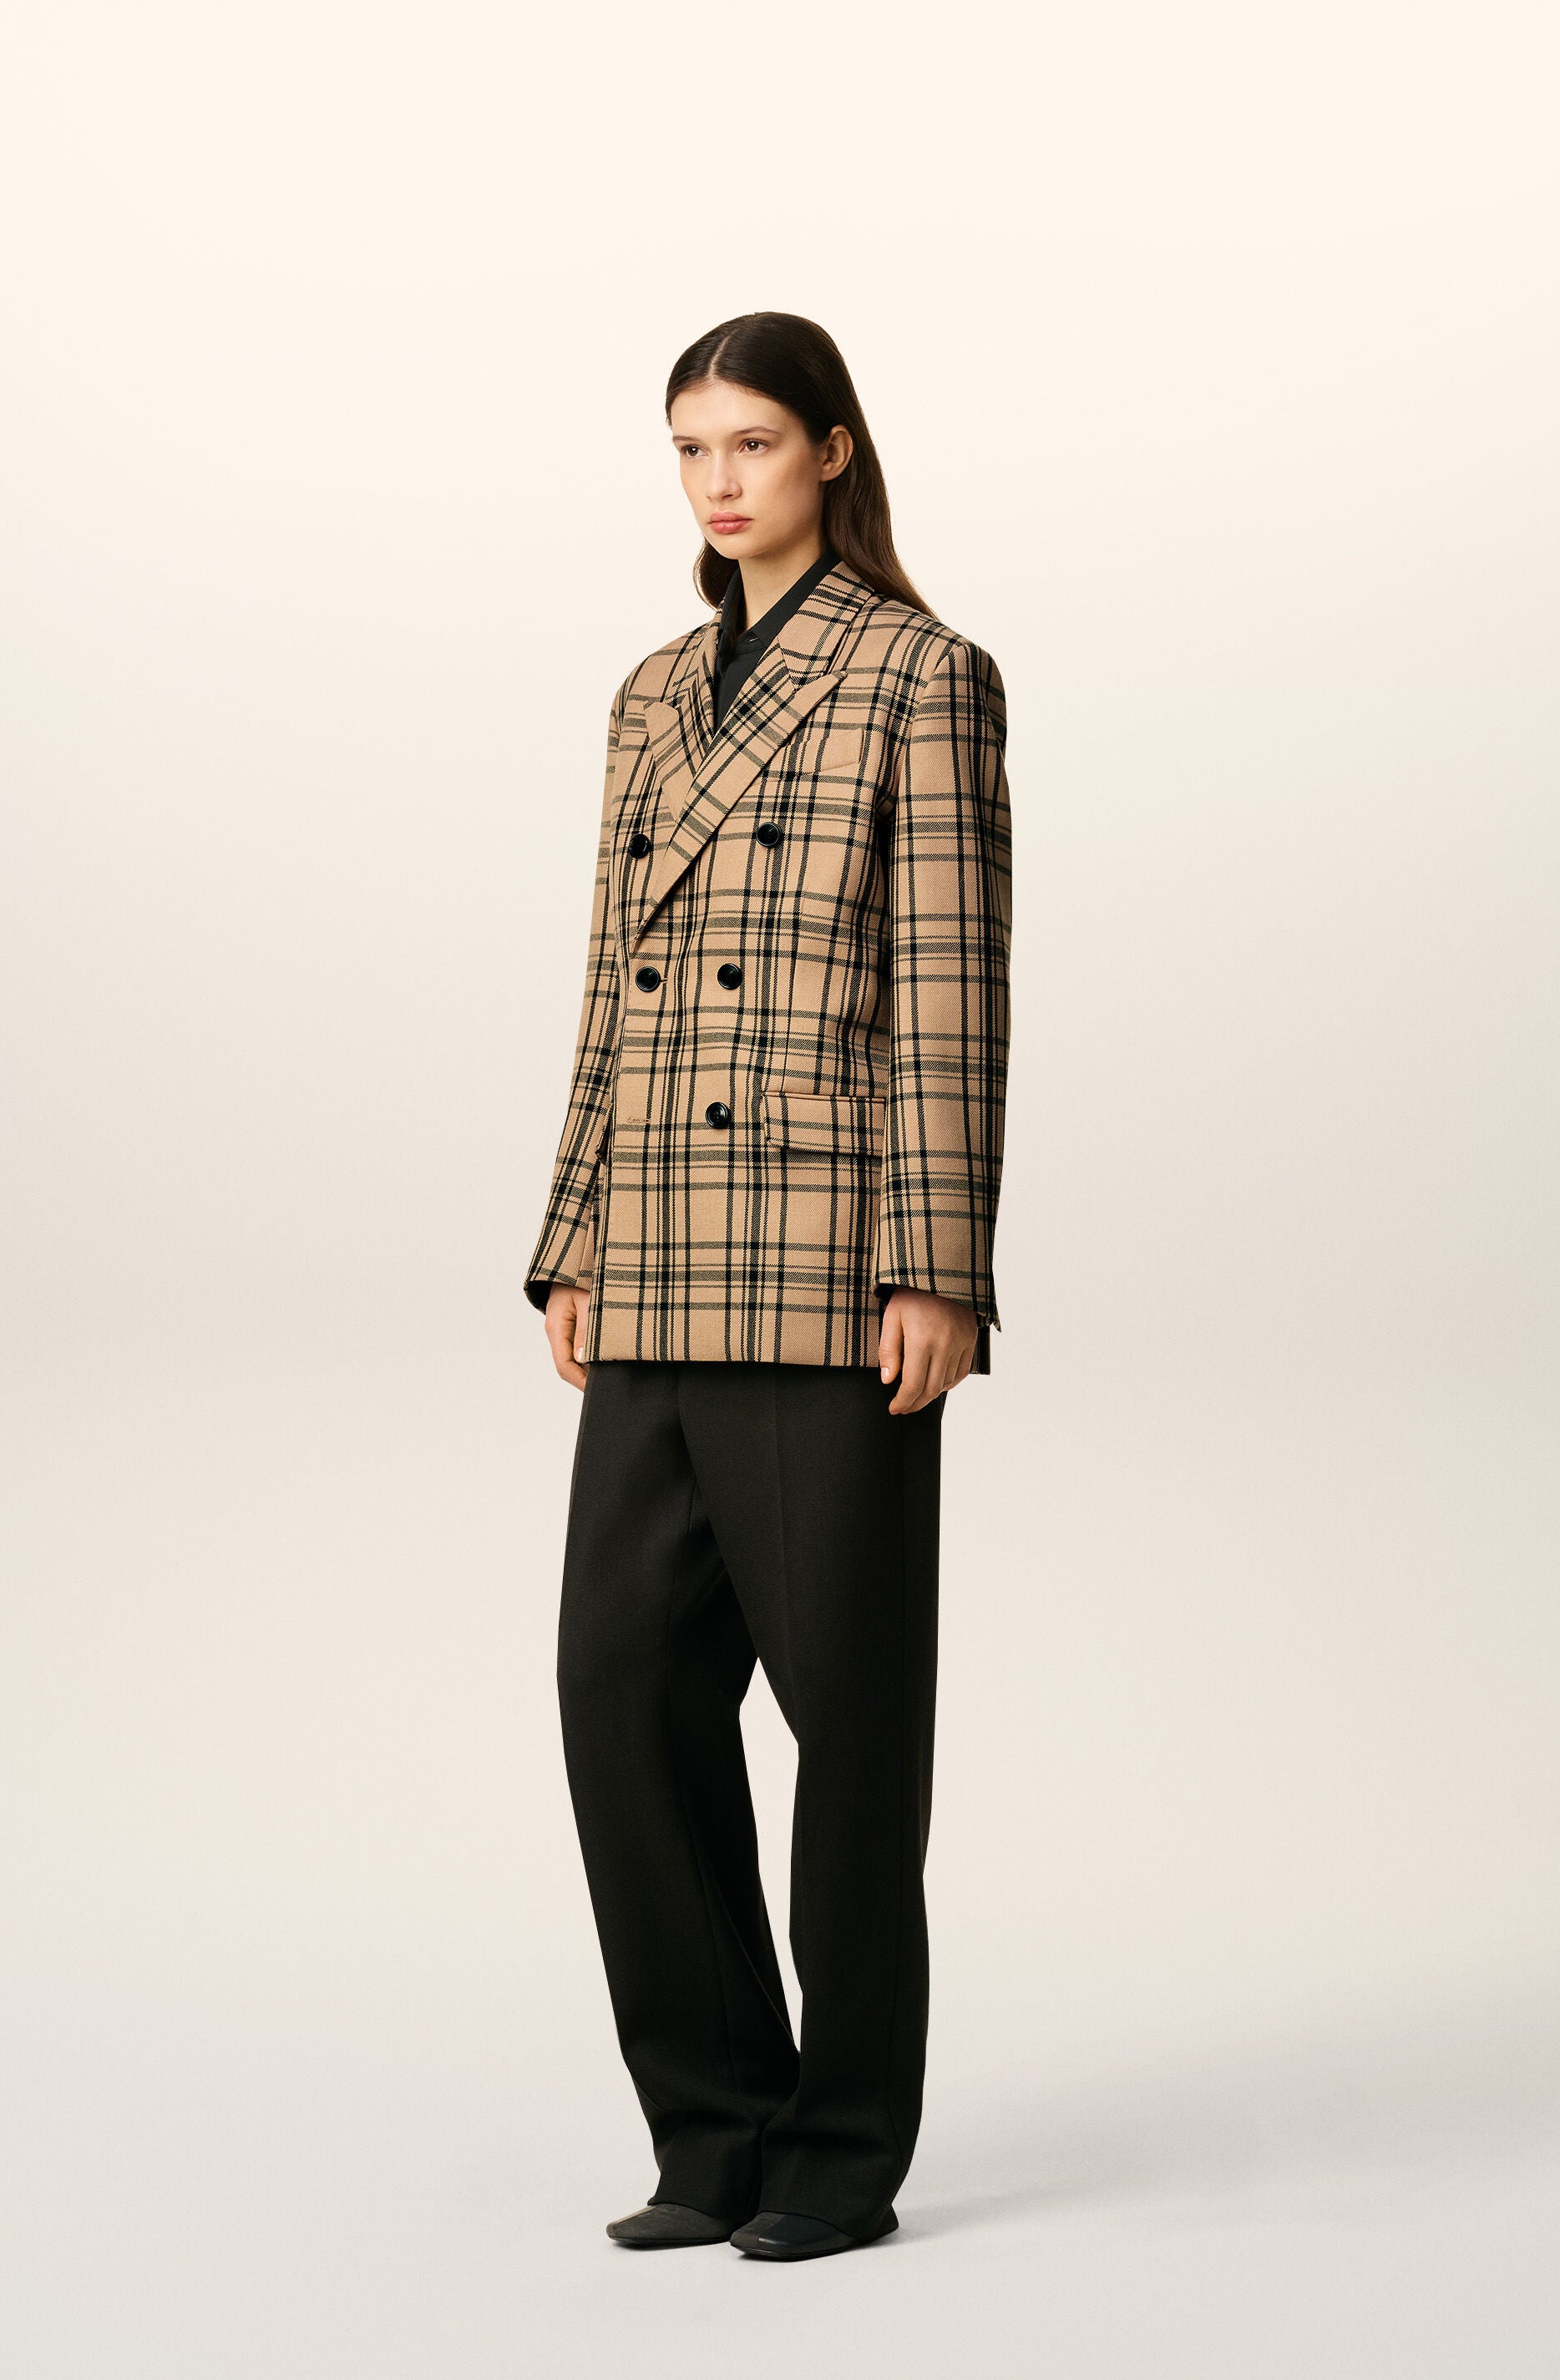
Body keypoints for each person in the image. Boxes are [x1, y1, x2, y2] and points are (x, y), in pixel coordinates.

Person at [523, 311, 1012, 2262]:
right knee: (620, 1695)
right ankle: (712, 2122)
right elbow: (607, 988)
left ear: (831, 450)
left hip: (825, 1268)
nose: (718, 480)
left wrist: (939, 1270)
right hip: (655, 1250)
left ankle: (840, 2150)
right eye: (688, 448)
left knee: (851, 1726)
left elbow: (953, 987)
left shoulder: (920, 675)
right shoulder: (651, 692)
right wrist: (572, 1231)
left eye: (749, 442)